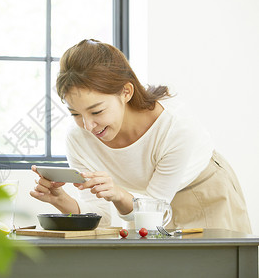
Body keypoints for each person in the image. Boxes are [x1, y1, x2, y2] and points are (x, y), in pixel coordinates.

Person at [30, 39, 251, 234]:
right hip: (143, 206)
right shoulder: (78, 138)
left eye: (96, 111)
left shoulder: (175, 127)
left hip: (203, 193)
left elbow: (154, 209)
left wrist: (120, 195)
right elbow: (102, 218)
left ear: (126, 92)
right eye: (75, 113)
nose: (88, 125)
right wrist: (62, 200)